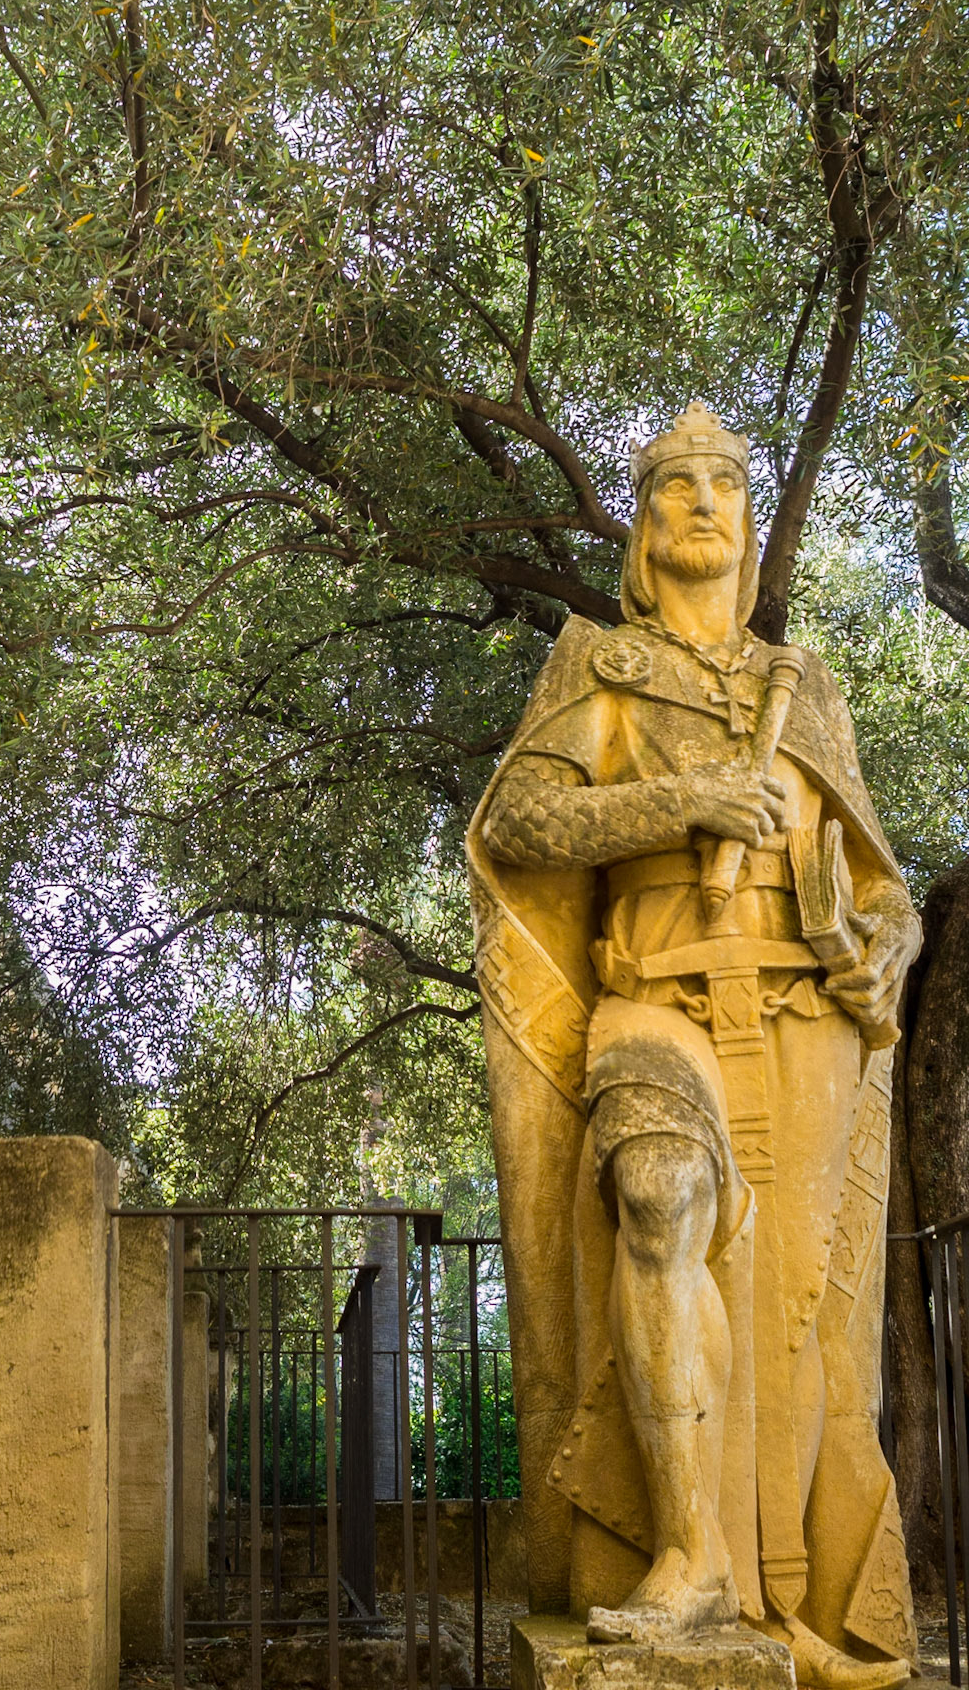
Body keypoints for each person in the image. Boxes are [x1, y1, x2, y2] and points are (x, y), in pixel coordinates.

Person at [468, 405, 920, 1690]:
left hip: (803, 1016)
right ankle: (685, 1555)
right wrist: (686, 800)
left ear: (755, 525)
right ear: (642, 527)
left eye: (727, 483)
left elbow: (880, 880)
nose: (705, 501)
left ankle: (795, 1593)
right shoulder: (597, 666)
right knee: (661, 1195)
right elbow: (518, 821)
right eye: (675, 486)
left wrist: (892, 937)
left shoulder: (807, 686)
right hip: (654, 1002)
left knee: (797, 1304)